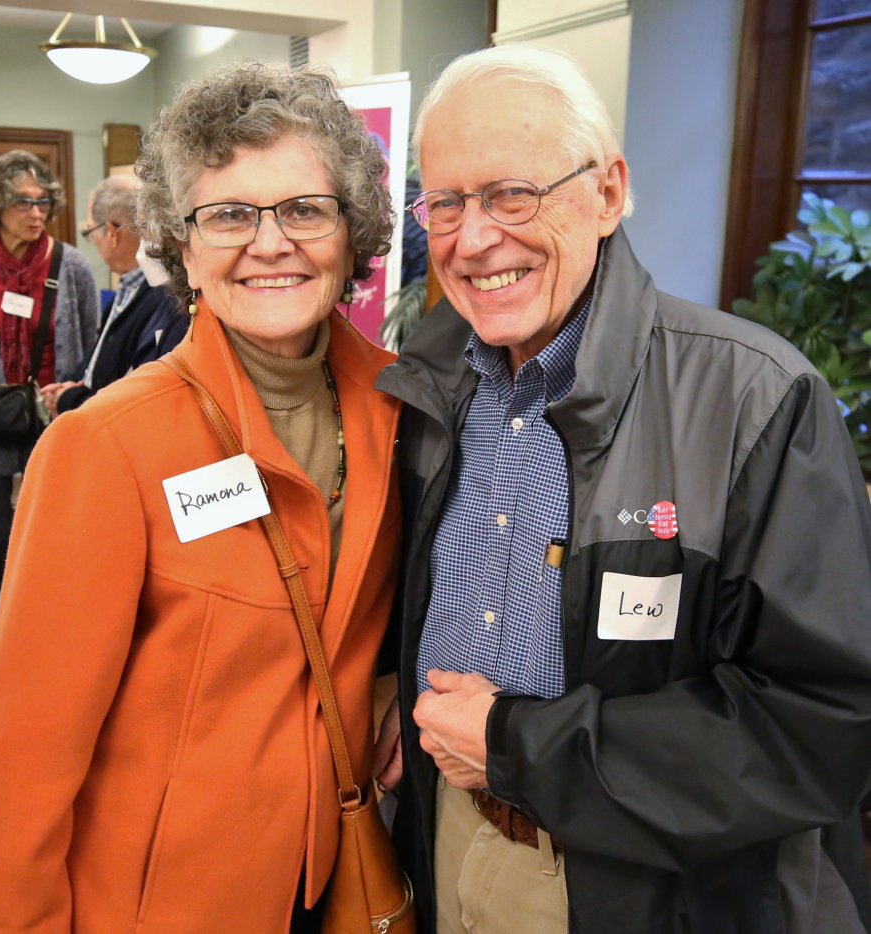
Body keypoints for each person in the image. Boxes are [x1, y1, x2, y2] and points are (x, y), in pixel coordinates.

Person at [372, 46, 871, 934]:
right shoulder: (426, 385)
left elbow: (820, 727)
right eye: (444, 202)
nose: (473, 237)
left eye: (511, 194)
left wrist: (517, 748)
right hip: (447, 844)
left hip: (649, 892)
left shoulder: (755, 399)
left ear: (607, 193)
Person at [0, 62, 401, 934]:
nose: (271, 243)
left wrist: (394, 695)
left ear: (352, 232)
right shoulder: (105, 446)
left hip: (332, 877)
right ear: (183, 246)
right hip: (164, 900)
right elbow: (20, 759)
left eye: (304, 208)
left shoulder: (401, 408)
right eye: (228, 215)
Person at [0, 150, 98, 598]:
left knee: (56, 534)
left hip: (52, 418)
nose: (36, 213)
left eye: (43, 201)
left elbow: (87, 345)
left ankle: (48, 619)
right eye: (22, 202)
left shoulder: (73, 266)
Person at [40, 175, 188, 417]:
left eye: (91, 232)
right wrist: (71, 385)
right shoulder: (128, 291)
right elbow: (98, 363)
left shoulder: (168, 298)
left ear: (111, 232)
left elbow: (136, 399)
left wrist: (69, 399)